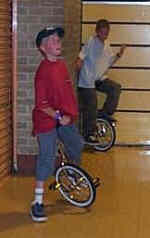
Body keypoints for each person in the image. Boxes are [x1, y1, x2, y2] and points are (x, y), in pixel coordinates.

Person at [30, 27, 84, 222]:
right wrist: (59, 116)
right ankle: (37, 202)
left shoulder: (61, 66)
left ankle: (70, 176)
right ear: (43, 47)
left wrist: (69, 115)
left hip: (63, 117)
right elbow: (41, 104)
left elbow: (66, 94)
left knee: (77, 144)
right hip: (46, 120)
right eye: (53, 40)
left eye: (58, 39)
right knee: (47, 157)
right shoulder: (42, 72)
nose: (58, 43)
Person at [76, 19, 126, 144]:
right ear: (97, 32)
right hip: (87, 81)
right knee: (92, 103)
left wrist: (119, 55)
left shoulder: (106, 44)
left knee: (115, 88)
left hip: (99, 78)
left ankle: (104, 114)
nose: (104, 36)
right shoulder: (91, 42)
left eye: (106, 33)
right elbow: (81, 55)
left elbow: (109, 61)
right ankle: (88, 134)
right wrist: (79, 62)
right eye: (102, 33)